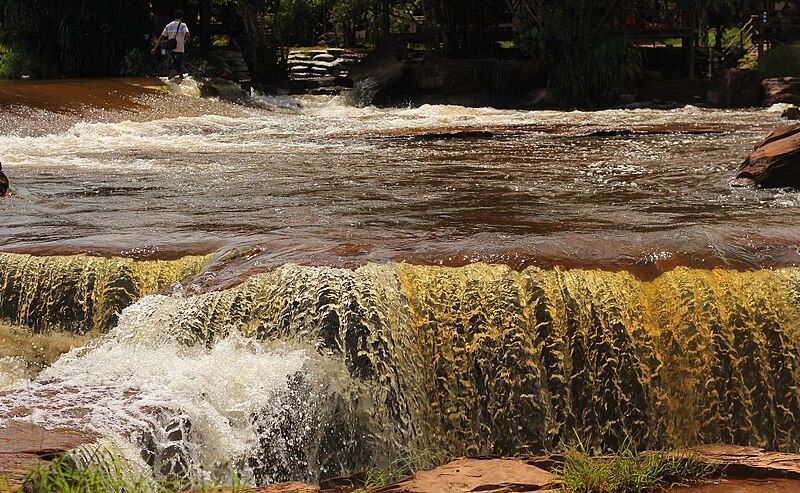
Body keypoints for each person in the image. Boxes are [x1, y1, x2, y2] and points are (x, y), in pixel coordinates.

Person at [152, 10, 190, 80]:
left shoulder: (168, 25)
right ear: (181, 17)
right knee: (175, 67)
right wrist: (187, 41)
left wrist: (155, 48)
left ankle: (181, 78)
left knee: (177, 65)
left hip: (171, 49)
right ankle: (169, 80)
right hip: (180, 49)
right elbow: (187, 34)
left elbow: (161, 37)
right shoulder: (183, 25)